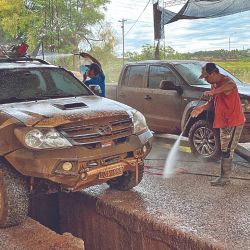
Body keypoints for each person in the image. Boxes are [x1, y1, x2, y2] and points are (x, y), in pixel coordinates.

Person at [191, 62, 245, 186]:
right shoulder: (214, 85)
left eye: (206, 77)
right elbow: (212, 103)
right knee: (226, 147)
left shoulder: (227, 81)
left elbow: (231, 86)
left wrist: (214, 92)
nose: (205, 79)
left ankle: (225, 178)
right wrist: (201, 108)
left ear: (214, 73)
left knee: (227, 149)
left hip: (233, 121)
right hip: (224, 122)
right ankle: (224, 177)